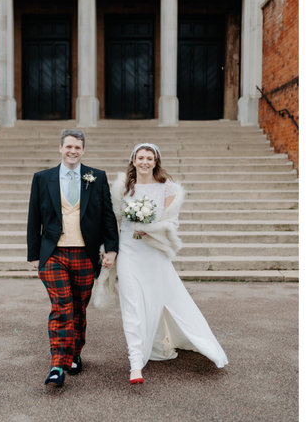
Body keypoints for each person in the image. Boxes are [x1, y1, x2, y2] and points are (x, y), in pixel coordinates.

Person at [93, 143, 228, 384]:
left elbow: (171, 224)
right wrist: (109, 251)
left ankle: (182, 341)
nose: (145, 162)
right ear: (133, 160)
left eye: (150, 158)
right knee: (132, 305)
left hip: (154, 254)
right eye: (140, 157)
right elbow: (112, 222)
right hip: (129, 253)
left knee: (162, 301)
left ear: (156, 162)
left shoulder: (168, 189)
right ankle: (136, 363)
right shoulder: (122, 188)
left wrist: (150, 228)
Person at [27, 129, 119, 388]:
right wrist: (34, 255)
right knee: (62, 307)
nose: (73, 151)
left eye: (78, 147)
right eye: (69, 146)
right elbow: (34, 217)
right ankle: (57, 364)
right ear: (60, 148)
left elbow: (107, 216)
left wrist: (111, 248)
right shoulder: (42, 178)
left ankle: (75, 352)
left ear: (83, 150)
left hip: (84, 254)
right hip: (54, 253)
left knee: (78, 307)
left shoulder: (97, 177)